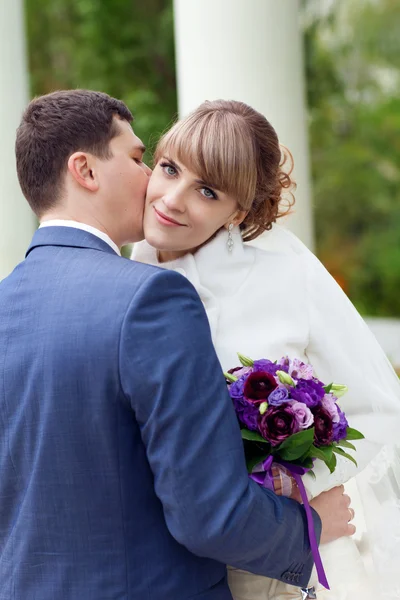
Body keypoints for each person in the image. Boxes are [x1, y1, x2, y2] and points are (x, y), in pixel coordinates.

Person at [0, 90, 353, 600]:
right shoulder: (150, 297)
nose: (152, 182)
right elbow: (209, 515)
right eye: (142, 159)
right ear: (86, 170)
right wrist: (309, 527)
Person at [132, 99, 400, 600]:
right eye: (168, 169)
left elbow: (382, 410)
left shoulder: (286, 276)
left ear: (238, 212)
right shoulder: (122, 281)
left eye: (207, 191)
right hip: (175, 572)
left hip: (293, 571)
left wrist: (302, 483)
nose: (171, 199)